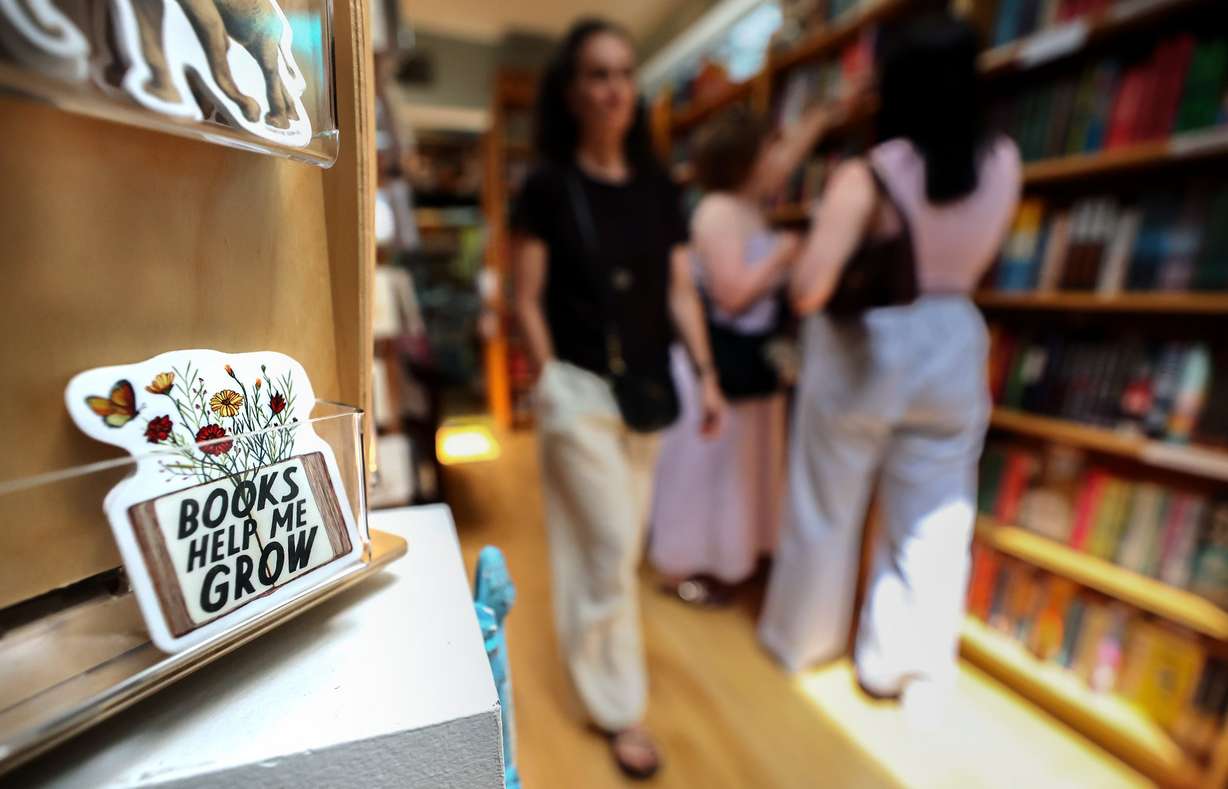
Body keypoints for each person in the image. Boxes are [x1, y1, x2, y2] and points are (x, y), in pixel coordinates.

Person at [757, 12, 1022, 712]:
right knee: (935, 517)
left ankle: (802, 641)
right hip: (956, 340)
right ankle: (904, 666)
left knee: (825, 506)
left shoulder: (869, 173)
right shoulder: (1004, 161)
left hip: (867, 349)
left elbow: (811, 289)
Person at [510, 18, 725, 779]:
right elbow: (525, 295)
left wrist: (707, 372)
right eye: (598, 74)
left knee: (612, 547)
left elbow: (680, 290)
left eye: (625, 74)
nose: (614, 89)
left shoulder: (660, 188)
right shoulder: (545, 187)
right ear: (572, 92)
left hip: (648, 392)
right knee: (608, 547)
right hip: (578, 390)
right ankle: (619, 707)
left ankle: (602, 671)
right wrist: (549, 380)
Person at [650, 104, 839, 605]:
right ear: (748, 159)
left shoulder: (746, 207)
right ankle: (686, 565)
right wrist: (782, 255)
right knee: (705, 477)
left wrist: (823, 117)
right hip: (719, 367)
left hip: (747, 365)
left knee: (733, 477)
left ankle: (729, 559)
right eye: (768, 151)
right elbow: (731, 295)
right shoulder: (717, 212)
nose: (778, 161)